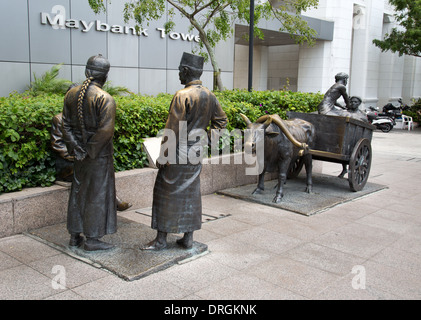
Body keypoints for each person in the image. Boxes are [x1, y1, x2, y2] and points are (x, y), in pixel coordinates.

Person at [143, 52, 228, 250]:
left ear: (186, 70)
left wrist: (163, 156)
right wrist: (206, 140)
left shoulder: (182, 95)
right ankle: (188, 238)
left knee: (164, 192)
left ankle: (161, 240)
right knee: (191, 192)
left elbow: (172, 130)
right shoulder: (209, 94)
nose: (178, 75)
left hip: (178, 153)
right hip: (195, 152)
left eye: (180, 71)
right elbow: (221, 122)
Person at [62, 54, 117, 251]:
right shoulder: (105, 99)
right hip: (98, 156)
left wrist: (77, 148)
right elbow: (105, 131)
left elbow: (65, 125)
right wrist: (89, 151)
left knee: (78, 192)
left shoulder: (71, 94)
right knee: (96, 195)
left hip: (79, 154)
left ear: (87, 72)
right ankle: (92, 239)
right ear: (105, 77)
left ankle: (74, 236)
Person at [51, 112, 132, 211]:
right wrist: (75, 156)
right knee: (94, 172)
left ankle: (108, 205)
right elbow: (57, 144)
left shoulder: (85, 118)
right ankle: (113, 202)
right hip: (68, 164)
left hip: (85, 159)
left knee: (102, 168)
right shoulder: (59, 119)